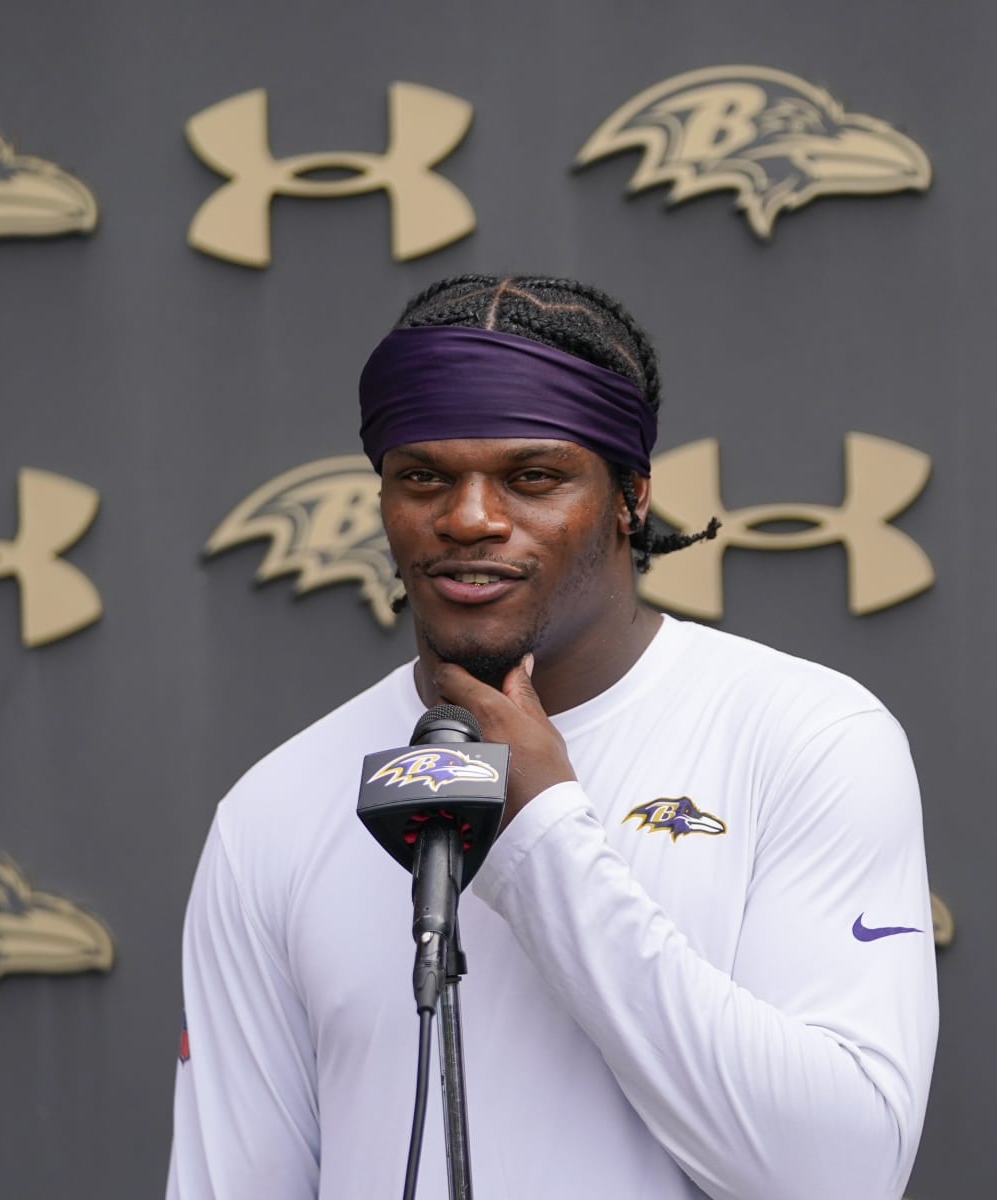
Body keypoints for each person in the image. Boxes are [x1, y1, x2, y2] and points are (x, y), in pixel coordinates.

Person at [168, 275, 937, 1199]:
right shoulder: (275, 806)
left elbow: (839, 1176)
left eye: (533, 478)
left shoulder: (806, 736)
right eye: (424, 477)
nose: (470, 518)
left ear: (630, 495)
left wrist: (545, 837)